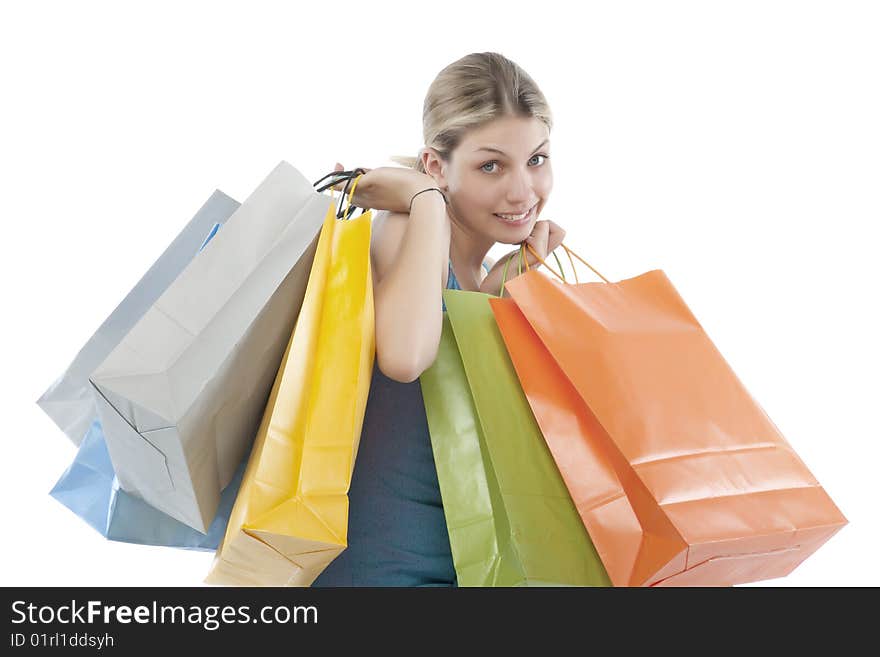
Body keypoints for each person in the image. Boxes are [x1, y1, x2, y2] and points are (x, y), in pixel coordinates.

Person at [311, 51, 565, 587]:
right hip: (382, 574)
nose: (523, 191)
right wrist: (424, 201)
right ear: (435, 165)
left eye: (536, 160)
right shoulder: (405, 228)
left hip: (466, 567)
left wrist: (504, 293)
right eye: (491, 165)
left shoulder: (480, 271)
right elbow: (405, 359)